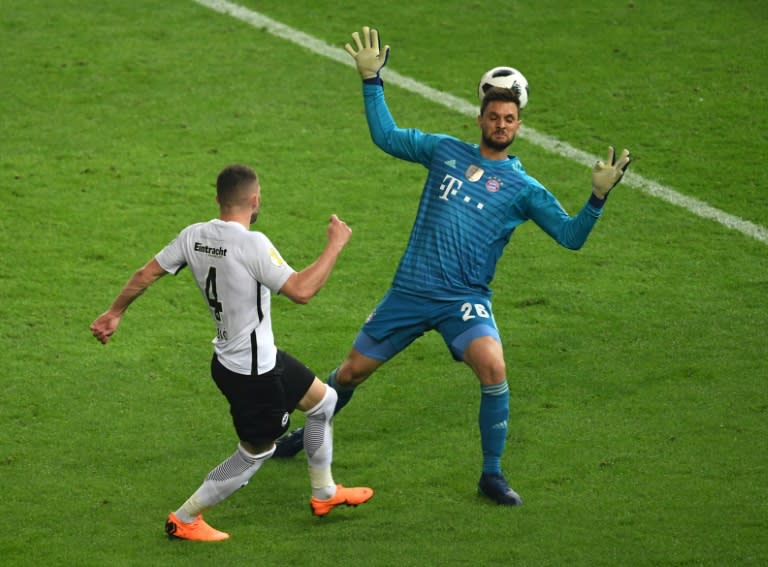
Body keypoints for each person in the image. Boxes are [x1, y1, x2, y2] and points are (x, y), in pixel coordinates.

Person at [274, 27, 632, 506]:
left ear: (518, 126)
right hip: (409, 292)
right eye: (494, 116)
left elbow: (571, 237)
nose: (501, 124)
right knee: (352, 373)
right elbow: (387, 136)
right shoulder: (445, 151)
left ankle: (492, 474)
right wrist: (370, 81)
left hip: (463, 300)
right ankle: (308, 430)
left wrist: (597, 197)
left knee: (493, 365)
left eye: (509, 118)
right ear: (480, 117)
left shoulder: (524, 189)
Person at [90, 164, 373, 541]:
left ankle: (324, 492)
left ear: (218, 199)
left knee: (324, 401)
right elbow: (302, 291)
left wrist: (115, 312)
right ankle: (185, 518)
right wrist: (335, 244)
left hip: (241, 359)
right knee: (255, 452)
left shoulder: (193, 235)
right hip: (252, 373)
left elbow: (146, 274)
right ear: (254, 200)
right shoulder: (251, 244)